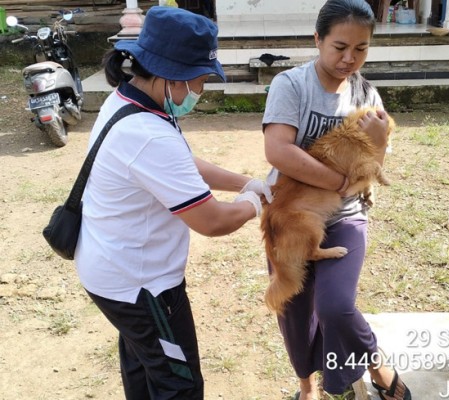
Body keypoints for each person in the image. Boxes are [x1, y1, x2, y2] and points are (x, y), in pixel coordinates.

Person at [74, 7, 271, 400]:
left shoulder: (133, 102)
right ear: (170, 76)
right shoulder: (148, 133)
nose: (200, 89)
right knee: (177, 384)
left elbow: (181, 165)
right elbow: (212, 220)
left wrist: (244, 181)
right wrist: (256, 203)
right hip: (142, 287)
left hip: (112, 269)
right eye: (199, 79)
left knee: (144, 367)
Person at [262, 1, 411, 399]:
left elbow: (372, 164)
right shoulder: (291, 85)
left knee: (336, 307)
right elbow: (279, 151)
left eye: (360, 49)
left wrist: (377, 146)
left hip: (346, 215)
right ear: (318, 39)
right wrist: (340, 180)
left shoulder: (367, 93)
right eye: (339, 47)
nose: (349, 58)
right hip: (292, 214)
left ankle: (377, 366)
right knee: (295, 313)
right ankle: (306, 386)